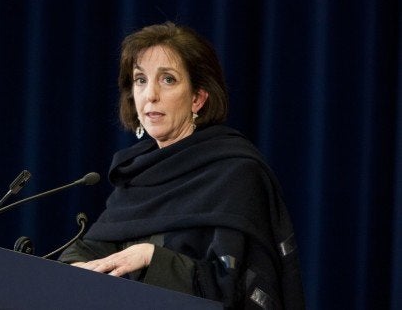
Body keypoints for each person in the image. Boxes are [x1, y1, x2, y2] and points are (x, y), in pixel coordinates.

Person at [58, 22, 305, 309]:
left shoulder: (234, 171)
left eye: (168, 80)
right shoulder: (137, 172)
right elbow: (95, 247)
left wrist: (153, 257)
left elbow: (229, 286)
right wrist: (76, 266)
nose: (150, 94)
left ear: (198, 98)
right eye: (140, 80)